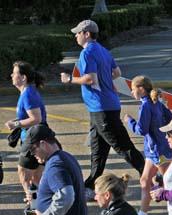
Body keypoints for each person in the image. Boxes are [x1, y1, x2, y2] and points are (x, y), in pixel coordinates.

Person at [61, 19, 145, 198]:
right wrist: (107, 82)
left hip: (101, 108)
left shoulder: (87, 53)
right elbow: (117, 73)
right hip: (105, 106)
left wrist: (70, 79)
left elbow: (90, 78)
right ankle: (90, 187)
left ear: (87, 34)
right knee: (98, 150)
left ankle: (152, 176)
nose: (75, 36)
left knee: (123, 147)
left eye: (78, 33)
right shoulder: (104, 51)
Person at [123, 75, 172, 215]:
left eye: (133, 89)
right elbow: (170, 118)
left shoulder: (146, 105)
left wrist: (129, 121)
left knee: (170, 184)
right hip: (154, 149)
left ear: (141, 89)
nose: (132, 93)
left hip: (157, 150)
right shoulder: (156, 101)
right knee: (145, 181)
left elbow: (142, 129)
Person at [4, 61, 46, 215]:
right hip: (34, 137)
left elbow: (36, 118)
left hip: (33, 139)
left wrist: (15, 124)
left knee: (24, 172)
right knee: (36, 176)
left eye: (14, 73)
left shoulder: (28, 94)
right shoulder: (27, 92)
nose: (11, 76)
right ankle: (38, 206)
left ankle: (33, 206)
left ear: (23, 77)